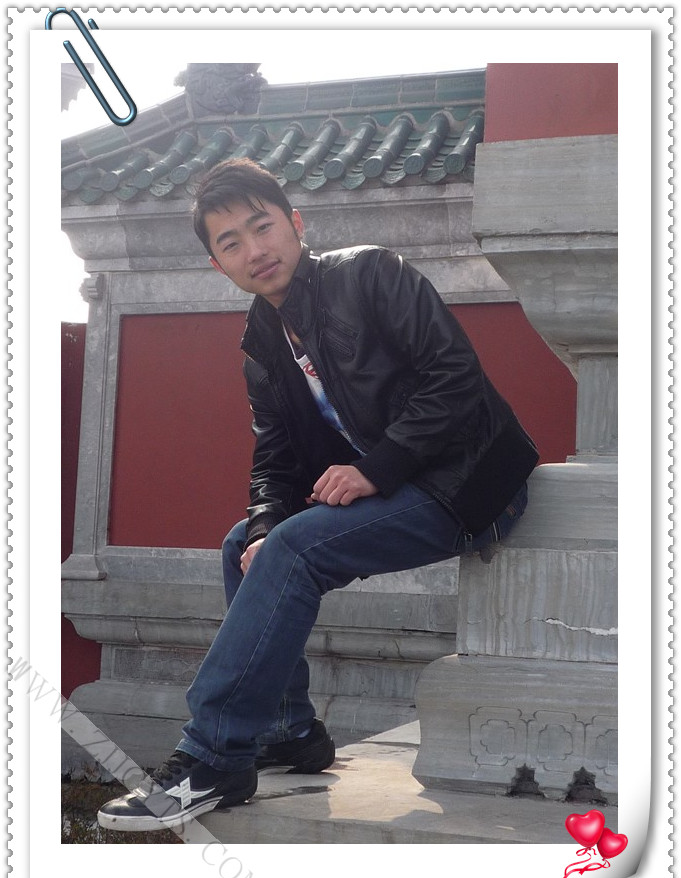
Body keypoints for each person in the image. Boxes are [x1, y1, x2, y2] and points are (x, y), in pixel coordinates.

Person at [98, 158, 538, 832]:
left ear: (296, 223)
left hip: (472, 481)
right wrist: (264, 525)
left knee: (296, 549)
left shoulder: (371, 274)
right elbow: (275, 456)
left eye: (262, 226)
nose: (255, 250)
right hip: (402, 484)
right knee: (247, 544)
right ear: (219, 264)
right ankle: (288, 730)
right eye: (231, 243)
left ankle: (213, 757)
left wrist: (377, 467)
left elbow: (453, 377)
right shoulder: (262, 342)